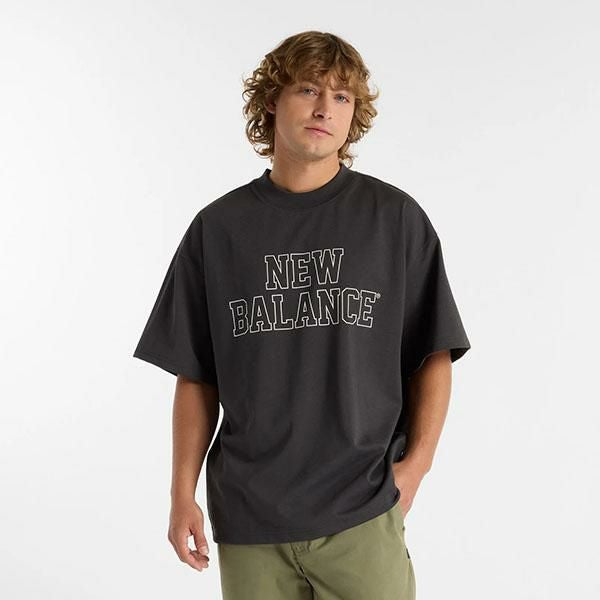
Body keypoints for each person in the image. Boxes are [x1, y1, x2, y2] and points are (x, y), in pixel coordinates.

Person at [133, 30, 471, 600]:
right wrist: (180, 494)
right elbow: (196, 375)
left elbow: (434, 352)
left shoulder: (393, 219)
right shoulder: (218, 230)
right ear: (272, 100)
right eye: (309, 90)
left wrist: (416, 469)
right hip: (250, 518)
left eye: (342, 97)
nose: (324, 109)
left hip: (361, 511)